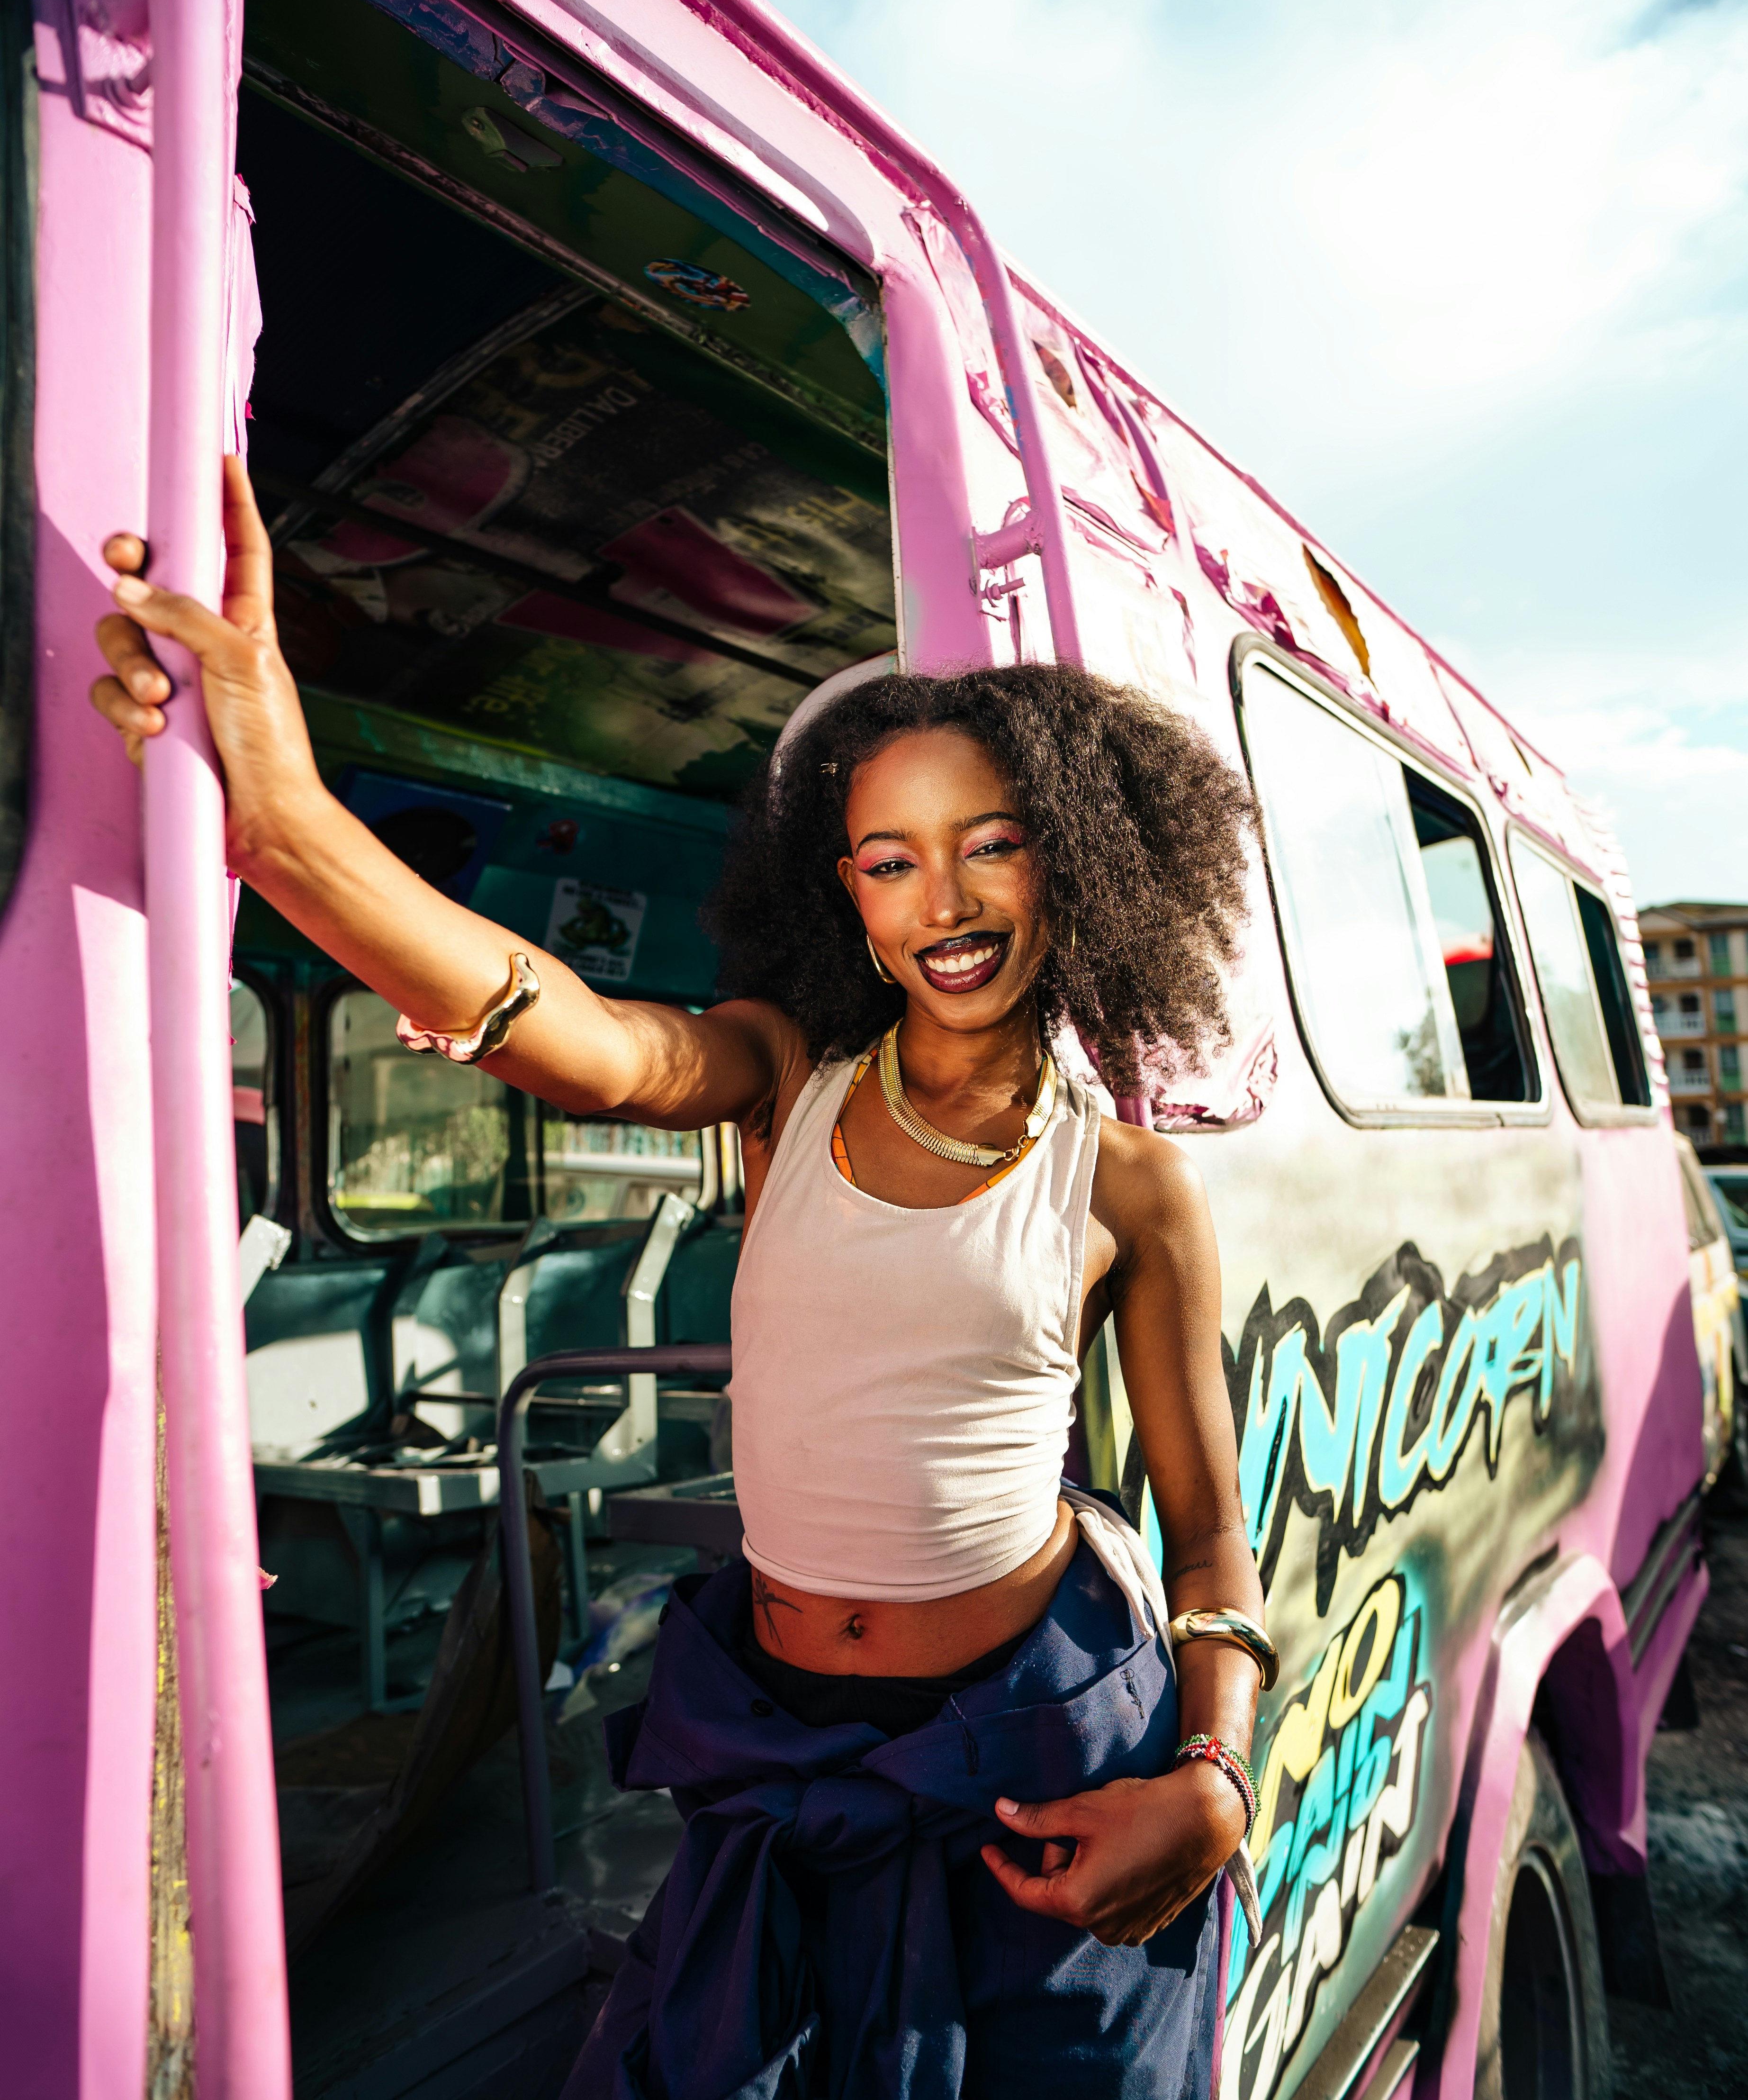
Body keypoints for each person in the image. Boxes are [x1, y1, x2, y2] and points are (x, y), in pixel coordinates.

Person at [92, 461, 1273, 2099]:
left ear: (1069, 863)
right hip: (778, 1755)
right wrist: (282, 817)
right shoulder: (786, 1082)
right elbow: (584, 1042)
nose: (944, 901)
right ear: (844, 900)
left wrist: (1218, 1776)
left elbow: (1206, 1525)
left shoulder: (1131, 1183)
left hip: (1030, 1758)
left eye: (990, 845)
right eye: (887, 861)